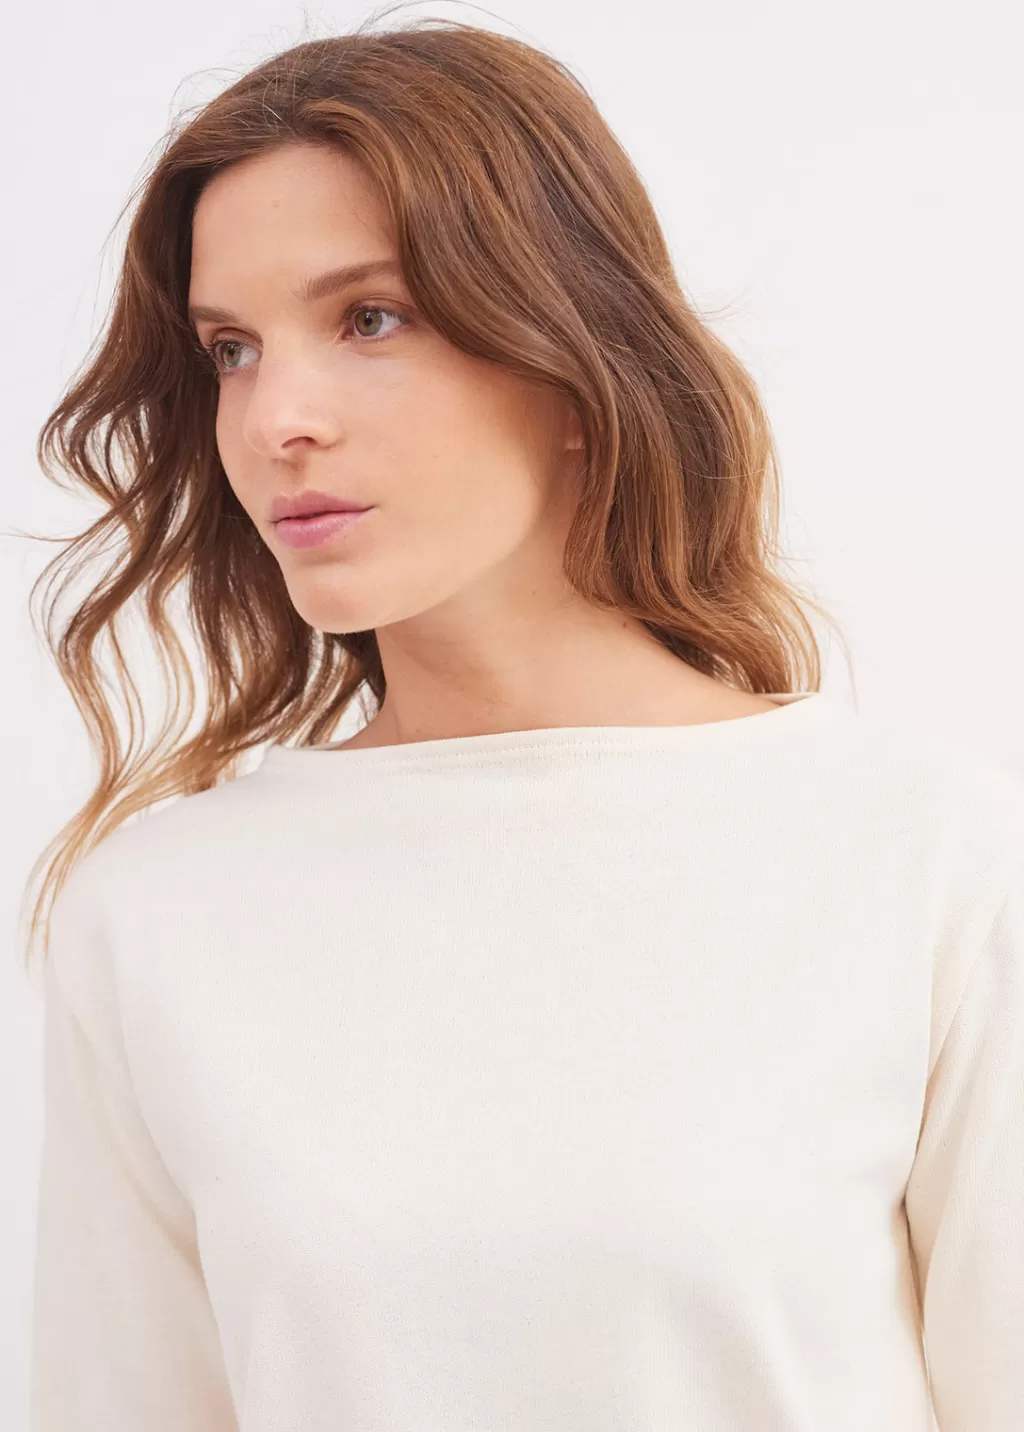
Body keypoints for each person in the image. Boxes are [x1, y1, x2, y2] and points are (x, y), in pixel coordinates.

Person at [22, 11, 1024, 1432]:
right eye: (231, 349)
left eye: (370, 318)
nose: (275, 418)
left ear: (571, 359)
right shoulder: (153, 915)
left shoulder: (930, 859)